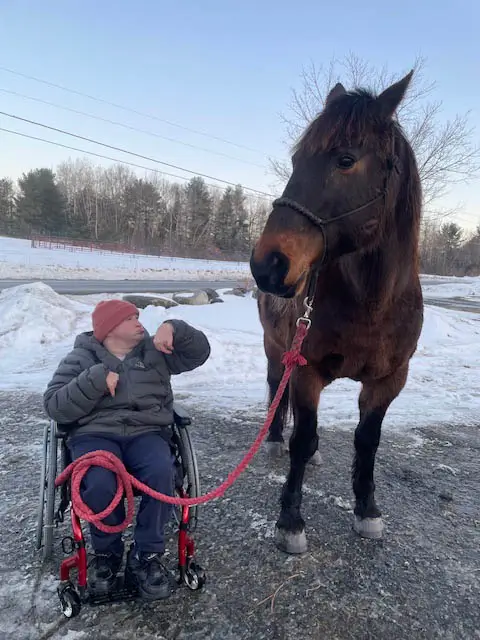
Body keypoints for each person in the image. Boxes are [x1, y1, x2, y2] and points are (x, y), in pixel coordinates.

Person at [43, 299, 210, 601]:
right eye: (130, 317)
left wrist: (176, 329)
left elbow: (200, 353)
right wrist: (95, 379)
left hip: (146, 433)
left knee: (161, 471)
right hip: (95, 434)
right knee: (97, 480)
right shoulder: (80, 358)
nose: (139, 321)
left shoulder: (155, 352)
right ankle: (106, 554)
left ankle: (147, 554)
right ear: (109, 329)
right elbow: (55, 406)